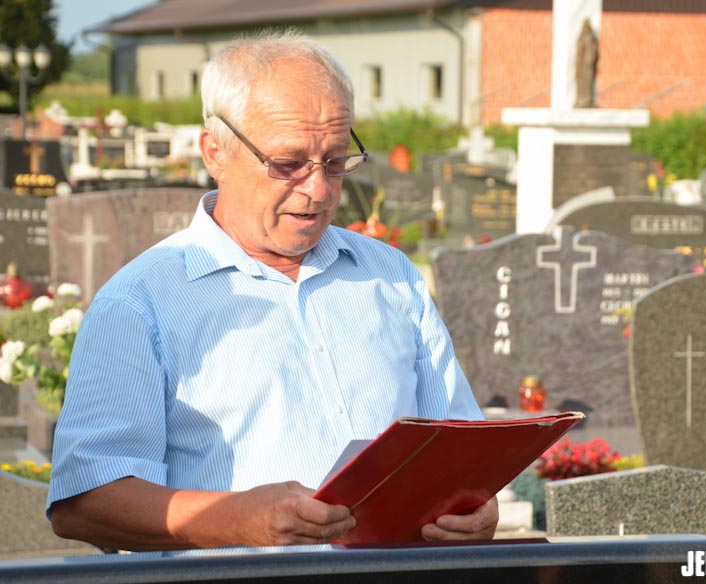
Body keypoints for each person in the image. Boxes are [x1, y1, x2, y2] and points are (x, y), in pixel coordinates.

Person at [47, 32, 498, 551]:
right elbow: (84, 503)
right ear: (215, 152)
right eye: (288, 164)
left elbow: (459, 445)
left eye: (335, 161)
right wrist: (234, 520)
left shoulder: (391, 274)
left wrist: (474, 507)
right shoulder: (139, 304)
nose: (318, 189)